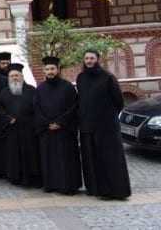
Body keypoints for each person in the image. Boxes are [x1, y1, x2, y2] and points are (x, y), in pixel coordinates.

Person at [76, 50, 131, 199]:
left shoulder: (107, 77)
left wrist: (106, 117)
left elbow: (118, 102)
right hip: (88, 126)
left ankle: (115, 191)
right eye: (86, 58)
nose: (89, 61)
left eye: (92, 58)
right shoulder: (80, 78)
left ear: (97, 59)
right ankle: (96, 189)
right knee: (92, 159)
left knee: (109, 159)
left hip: (107, 127)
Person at [34, 56, 82, 195]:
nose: (50, 71)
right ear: (44, 70)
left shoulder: (68, 87)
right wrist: (47, 123)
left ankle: (68, 186)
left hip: (64, 131)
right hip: (47, 131)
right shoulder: (40, 89)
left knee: (66, 159)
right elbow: (36, 109)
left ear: (58, 69)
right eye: (47, 69)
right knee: (49, 159)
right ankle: (51, 185)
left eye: (53, 69)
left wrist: (60, 123)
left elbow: (73, 107)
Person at [0, 64, 41, 187]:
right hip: (12, 129)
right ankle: (15, 177)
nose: (14, 78)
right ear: (8, 78)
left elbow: (38, 109)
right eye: (11, 76)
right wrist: (7, 118)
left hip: (28, 129)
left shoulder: (32, 90)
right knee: (13, 155)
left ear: (22, 76)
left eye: (16, 75)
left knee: (30, 155)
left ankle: (31, 177)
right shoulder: (4, 92)